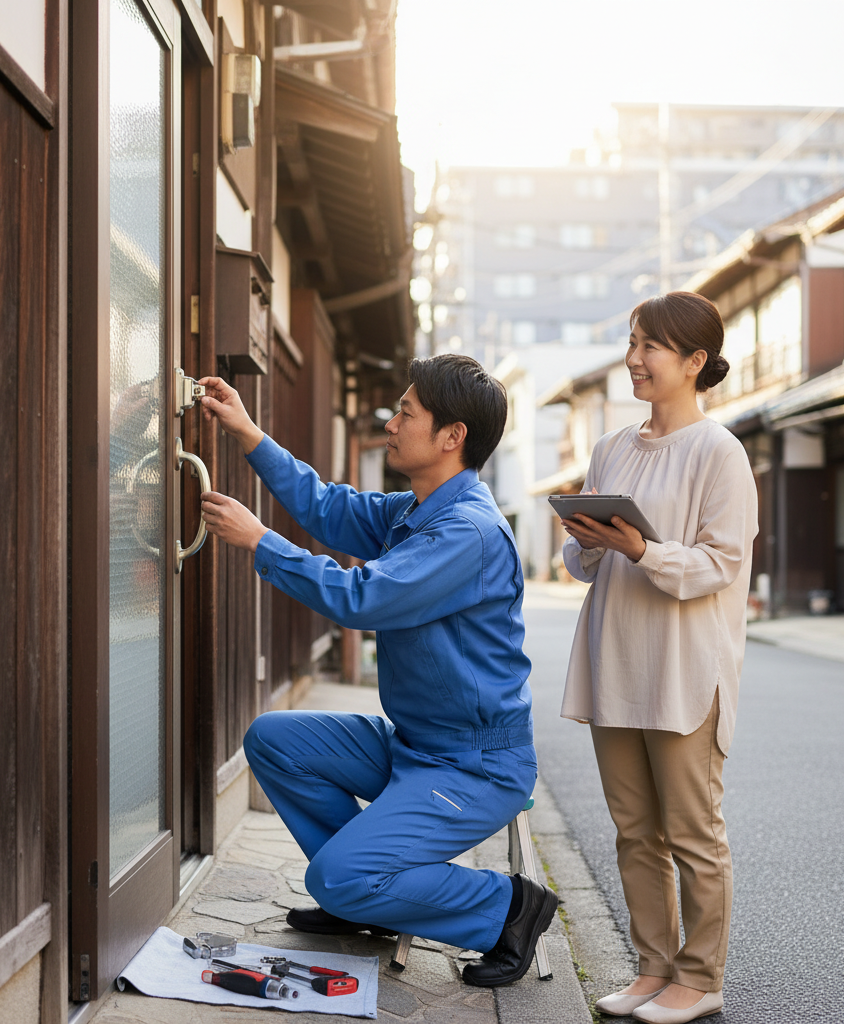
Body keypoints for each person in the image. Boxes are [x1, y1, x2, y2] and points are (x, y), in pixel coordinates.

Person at [197, 353, 557, 987]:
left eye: (406, 413)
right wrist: (248, 433)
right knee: (273, 741)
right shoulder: (414, 510)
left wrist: (260, 541)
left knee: (336, 876)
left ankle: (505, 909)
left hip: (475, 766)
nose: (391, 423)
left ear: (452, 438)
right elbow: (329, 509)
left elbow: (360, 599)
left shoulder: (467, 532)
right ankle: (367, 898)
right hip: (415, 746)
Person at [559, 292, 757, 1024]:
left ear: (695, 362)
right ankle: (652, 970)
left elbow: (719, 565)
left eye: (651, 346)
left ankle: (701, 980)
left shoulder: (720, 452)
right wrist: (583, 537)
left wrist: (641, 547)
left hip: (684, 671)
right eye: (632, 341)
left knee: (693, 834)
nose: (634, 358)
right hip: (617, 663)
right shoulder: (612, 447)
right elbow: (584, 567)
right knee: (635, 830)